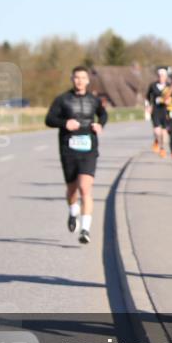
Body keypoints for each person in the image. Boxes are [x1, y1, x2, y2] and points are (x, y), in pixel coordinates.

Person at [44, 66, 108, 245]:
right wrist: (65, 123)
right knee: (72, 189)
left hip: (89, 149)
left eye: (83, 78)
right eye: (76, 78)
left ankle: (85, 229)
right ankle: (73, 211)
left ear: (88, 80)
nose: (79, 81)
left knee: (85, 188)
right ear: (72, 79)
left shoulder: (94, 100)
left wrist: (100, 124)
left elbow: (103, 114)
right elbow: (49, 120)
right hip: (68, 149)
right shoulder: (62, 100)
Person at [145, 67, 170, 157]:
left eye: (163, 76)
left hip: (165, 110)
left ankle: (162, 148)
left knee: (163, 132)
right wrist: (148, 106)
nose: (161, 77)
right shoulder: (153, 85)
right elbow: (147, 97)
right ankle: (156, 141)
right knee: (157, 131)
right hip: (155, 110)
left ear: (166, 77)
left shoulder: (169, 86)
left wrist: (169, 102)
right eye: (159, 76)